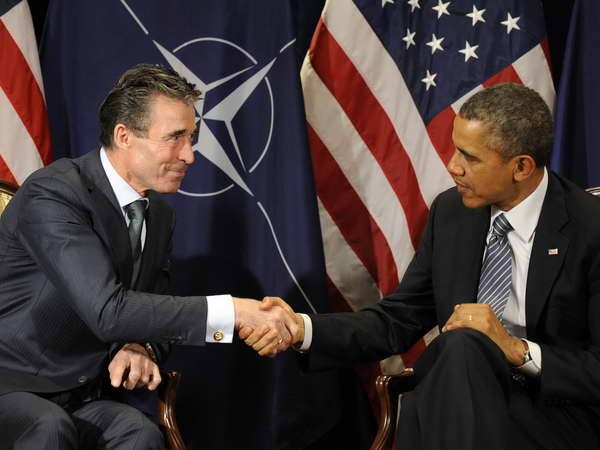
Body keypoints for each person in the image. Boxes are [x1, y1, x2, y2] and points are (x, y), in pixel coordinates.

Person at [243, 82, 600, 449]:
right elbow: (397, 320)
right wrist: (300, 328)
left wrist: (515, 349)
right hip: (458, 399)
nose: (453, 166)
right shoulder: (453, 213)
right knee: (461, 348)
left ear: (521, 167)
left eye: (470, 158)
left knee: (460, 347)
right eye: (455, 150)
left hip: (554, 412)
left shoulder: (590, 227)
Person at [0, 64, 297, 450]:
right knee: (48, 428)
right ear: (124, 135)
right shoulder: (54, 194)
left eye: (191, 138)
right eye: (175, 138)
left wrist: (142, 346)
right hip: (13, 381)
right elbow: (107, 310)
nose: (189, 155)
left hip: (83, 392)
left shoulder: (158, 215)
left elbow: (155, 307)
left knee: (139, 434)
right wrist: (235, 312)